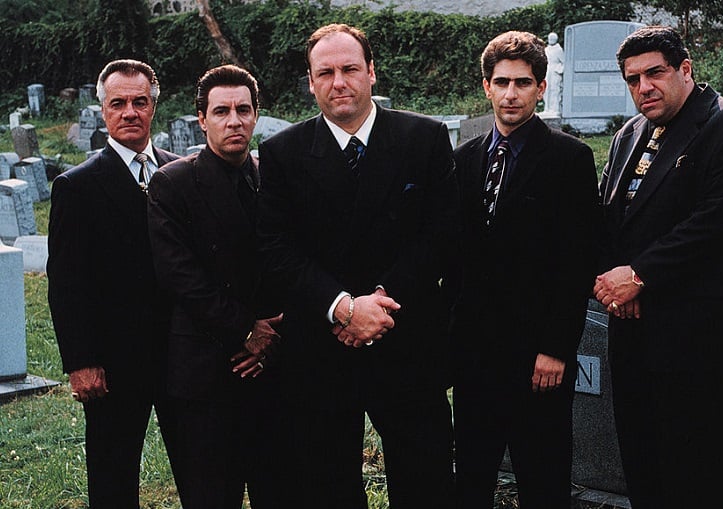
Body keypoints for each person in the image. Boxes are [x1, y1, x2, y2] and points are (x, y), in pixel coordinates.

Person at [257, 23, 458, 509]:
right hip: (322, 345)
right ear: (310, 82)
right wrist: (343, 307)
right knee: (327, 485)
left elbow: (440, 235)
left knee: (425, 481)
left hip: (406, 337)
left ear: (371, 71)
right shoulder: (282, 153)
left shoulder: (423, 138)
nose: (339, 82)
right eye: (325, 73)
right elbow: (277, 247)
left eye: (349, 69)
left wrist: (380, 303)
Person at [593, 26, 723, 508]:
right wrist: (616, 284)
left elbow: (717, 222)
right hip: (633, 330)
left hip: (699, 338)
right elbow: (608, 217)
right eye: (633, 80)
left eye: (655, 73)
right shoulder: (629, 133)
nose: (644, 87)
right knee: (643, 467)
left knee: (697, 474)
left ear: (685, 69)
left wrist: (640, 276)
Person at [448, 31, 599, 509]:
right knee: (472, 474)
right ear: (486, 87)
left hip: (538, 357)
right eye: (501, 82)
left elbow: (577, 261)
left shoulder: (569, 158)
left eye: (523, 82)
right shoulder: (464, 160)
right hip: (475, 355)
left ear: (541, 88)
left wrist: (555, 348)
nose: (511, 93)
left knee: (543, 475)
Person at [147, 64, 282, 509]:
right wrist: (246, 330)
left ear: (256, 115)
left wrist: (269, 338)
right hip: (206, 371)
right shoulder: (173, 183)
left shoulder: (271, 177)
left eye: (244, 110)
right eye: (221, 111)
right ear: (202, 120)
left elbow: (284, 265)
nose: (234, 121)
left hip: (270, 367)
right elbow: (179, 275)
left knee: (278, 489)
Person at [47, 59, 180, 508]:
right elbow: (67, 283)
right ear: (103, 109)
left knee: (199, 469)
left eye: (139, 102)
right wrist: (81, 361)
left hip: (182, 354)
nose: (129, 112)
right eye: (118, 103)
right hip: (114, 363)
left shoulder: (181, 172)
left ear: (153, 107)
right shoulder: (77, 187)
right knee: (113, 477)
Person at [543, 32, 564, 114]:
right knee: (546, 89)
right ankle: (547, 108)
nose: (551, 40)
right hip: (547, 71)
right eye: (550, 39)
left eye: (553, 39)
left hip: (555, 72)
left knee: (555, 90)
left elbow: (564, 62)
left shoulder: (559, 50)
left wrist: (558, 70)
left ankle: (555, 109)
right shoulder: (546, 50)